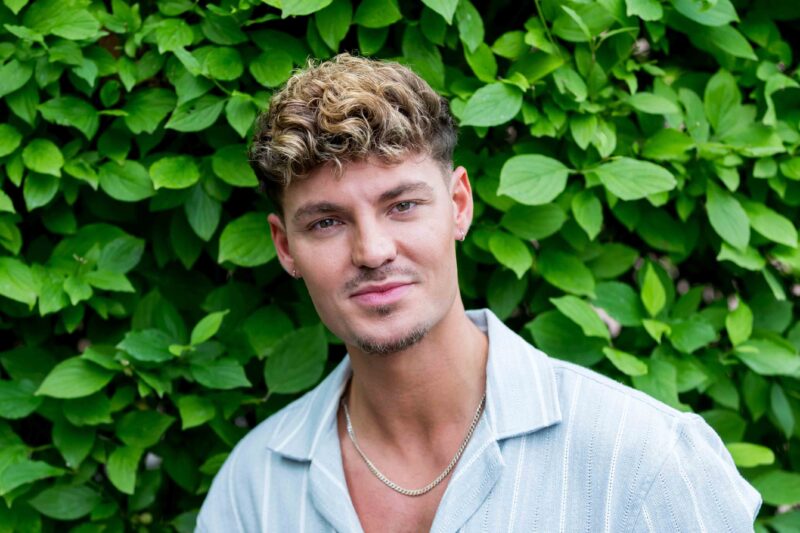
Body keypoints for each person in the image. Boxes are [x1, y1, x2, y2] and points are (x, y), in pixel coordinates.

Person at [196, 53, 761, 532]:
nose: (372, 251)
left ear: (459, 205)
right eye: (326, 222)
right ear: (285, 247)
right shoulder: (252, 491)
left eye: (402, 206)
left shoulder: (644, 460)